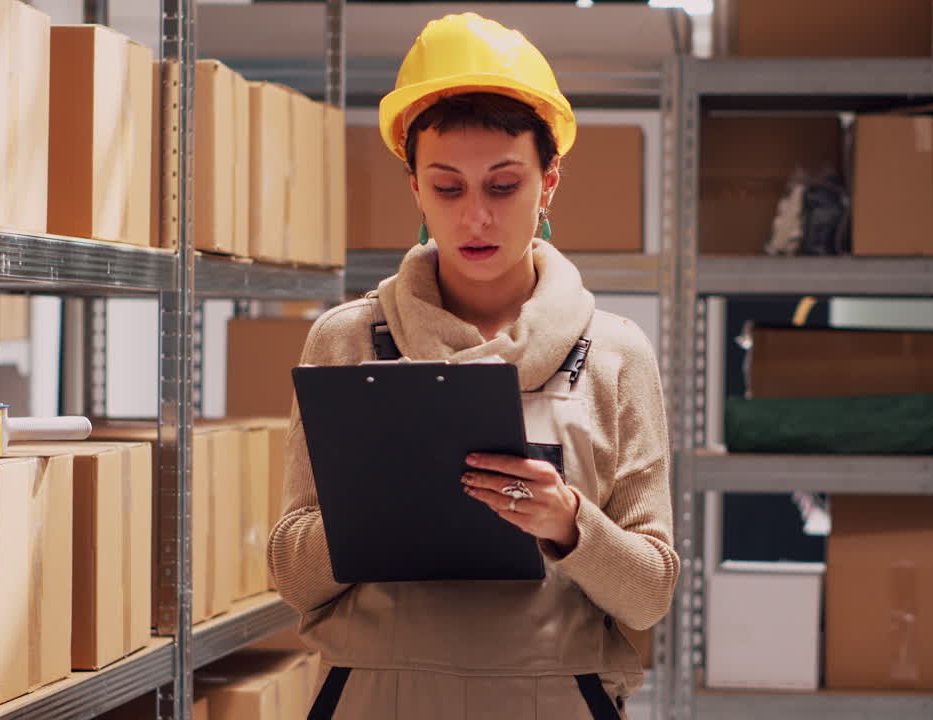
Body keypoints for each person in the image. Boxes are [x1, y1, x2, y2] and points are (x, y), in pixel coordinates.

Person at [268, 12, 678, 719]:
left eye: (503, 185)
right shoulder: (345, 341)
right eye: (449, 188)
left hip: (555, 698)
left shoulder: (615, 354)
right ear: (416, 190)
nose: (476, 219)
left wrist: (568, 522)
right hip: (375, 698)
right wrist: (374, 510)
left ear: (548, 183)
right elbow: (289, 575)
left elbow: (650, 595)